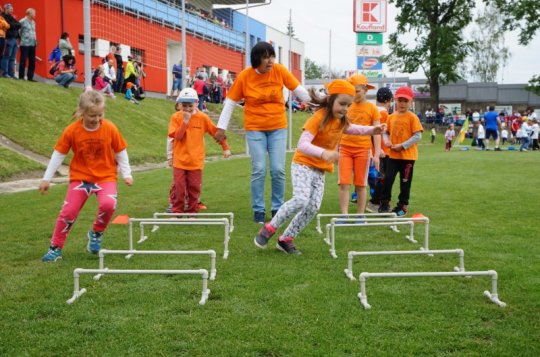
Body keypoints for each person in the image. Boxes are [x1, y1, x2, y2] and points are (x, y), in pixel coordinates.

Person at [253, 79, 384, 254]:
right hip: (303, 164)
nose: (345, 109)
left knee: (313, 207)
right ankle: (269, 228)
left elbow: (353, 129)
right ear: (330, 100)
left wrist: (371, 130)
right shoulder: (319, 117)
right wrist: (325, 153)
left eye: (348, 105)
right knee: (301, 199)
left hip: (319, 169)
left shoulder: (342, 120)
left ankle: (286, 239)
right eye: (342, 104)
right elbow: (302, 144)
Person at [216, 41, 311, 224]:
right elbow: (230, 102)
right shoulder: (245, 76)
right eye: (266, 57)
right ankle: (258, 210)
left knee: (278, 169)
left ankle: (277, 208)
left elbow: (298, 90)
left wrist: (320, 103)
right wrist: (221, 127)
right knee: (259, 169)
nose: (270, 61)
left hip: (278, 127)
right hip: (255, 128)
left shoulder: (279, 70)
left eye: (272, 56)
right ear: (256, 59)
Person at [39, 90, 133, 262]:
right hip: (80, 178)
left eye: (100, 115)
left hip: (105, 176)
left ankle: (96, 233)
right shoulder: (72, 131)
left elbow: (121, 151)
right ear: (82, 112)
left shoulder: (110, 128)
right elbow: (58, 155)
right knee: (68, 212)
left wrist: (127, 174)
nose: (97, 119)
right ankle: (55, 248)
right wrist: (47, 178)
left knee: (109, 204)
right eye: (92, 115)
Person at [168, 88, 231, 213]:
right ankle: (177, 211)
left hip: (196, 160)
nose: (187, 109)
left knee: (194, 187)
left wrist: (225, 147)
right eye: (184, 106)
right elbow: (178, 137)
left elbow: (215, 132)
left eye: (190, 105)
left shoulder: (203, 118)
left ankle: (192, 211)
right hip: (179, 160)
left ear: (197, 103)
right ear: (179, 104)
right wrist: (185, 122)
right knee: (179, 187)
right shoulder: (175, 117)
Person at [338, 74, 380, 217]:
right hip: (345, 148)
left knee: (361, 184)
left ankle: (360, 215)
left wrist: (377, 154)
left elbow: (377, 132)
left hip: (363, 149)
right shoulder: (346, 107)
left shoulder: (372, 108)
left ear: (365, 90)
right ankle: (344, 215)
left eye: (357, 91)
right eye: (352, 91)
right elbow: (338, 128)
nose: (354, 95)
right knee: (344, 183)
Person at [379, 86, 423, 216]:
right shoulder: (391, 117)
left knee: (405, 182)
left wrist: (402, 146)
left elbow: (417, 136)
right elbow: (386, 132)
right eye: (400, 100)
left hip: (408, 157)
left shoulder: (412, 117)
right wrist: (386, 140)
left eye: (405, 101)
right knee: (388, 179)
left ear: (410, 102)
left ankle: (402, 206)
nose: (402, 103)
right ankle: (384, 203)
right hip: (393, 156)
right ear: (395, 101)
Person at [367, 86, 394, 213]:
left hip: (374, 149)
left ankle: (379, 201)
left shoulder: (372, 109)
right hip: (382, 151)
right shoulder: (382, 113)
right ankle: (376, 202)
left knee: (380, 177)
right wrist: (379, 150)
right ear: (388, 100)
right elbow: (378, 132)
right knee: (383, 177)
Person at [1, 3, 20, 78]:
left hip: (15, 39)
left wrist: (12, 25)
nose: (12, 10)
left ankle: (11, 73)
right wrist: (13, 25)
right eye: (10, 9)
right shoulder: (3, 17)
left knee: (12, 58)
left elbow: (19, 25)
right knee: (6, 56)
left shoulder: (11, 17)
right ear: (6, 9)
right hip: (8, 39)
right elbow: (7, 26)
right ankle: (5, 73)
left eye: (12, 9)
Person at [17, 8, 37, 81]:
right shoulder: (22, 21)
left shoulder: (33, 22)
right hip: (25, 43)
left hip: (32, 44)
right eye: (34, 13)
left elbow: (34, 32)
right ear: (29, 13)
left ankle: (30, 77)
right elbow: (19, 31)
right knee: (23, 61)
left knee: (32, 61)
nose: (35, 15)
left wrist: (35, 41)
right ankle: (21, 77)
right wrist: (21, 39)